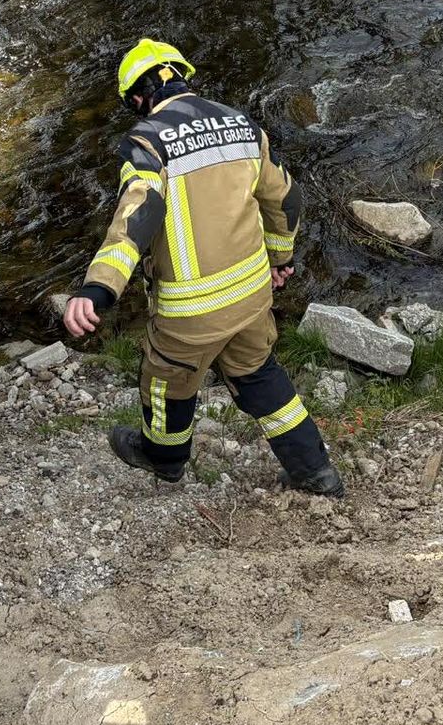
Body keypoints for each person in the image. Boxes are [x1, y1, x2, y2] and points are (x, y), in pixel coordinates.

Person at [63, 38, 343, 497]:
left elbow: (138, 216)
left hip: (191, 309)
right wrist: (281, 259)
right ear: (183, 76)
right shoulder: (242, 125)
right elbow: (286, 200)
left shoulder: (146, 141)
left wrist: (98, 289)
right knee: (258, 373)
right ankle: (315, 471)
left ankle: (164, 459)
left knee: (164, 382)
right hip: (252, 293)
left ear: (136, 98)